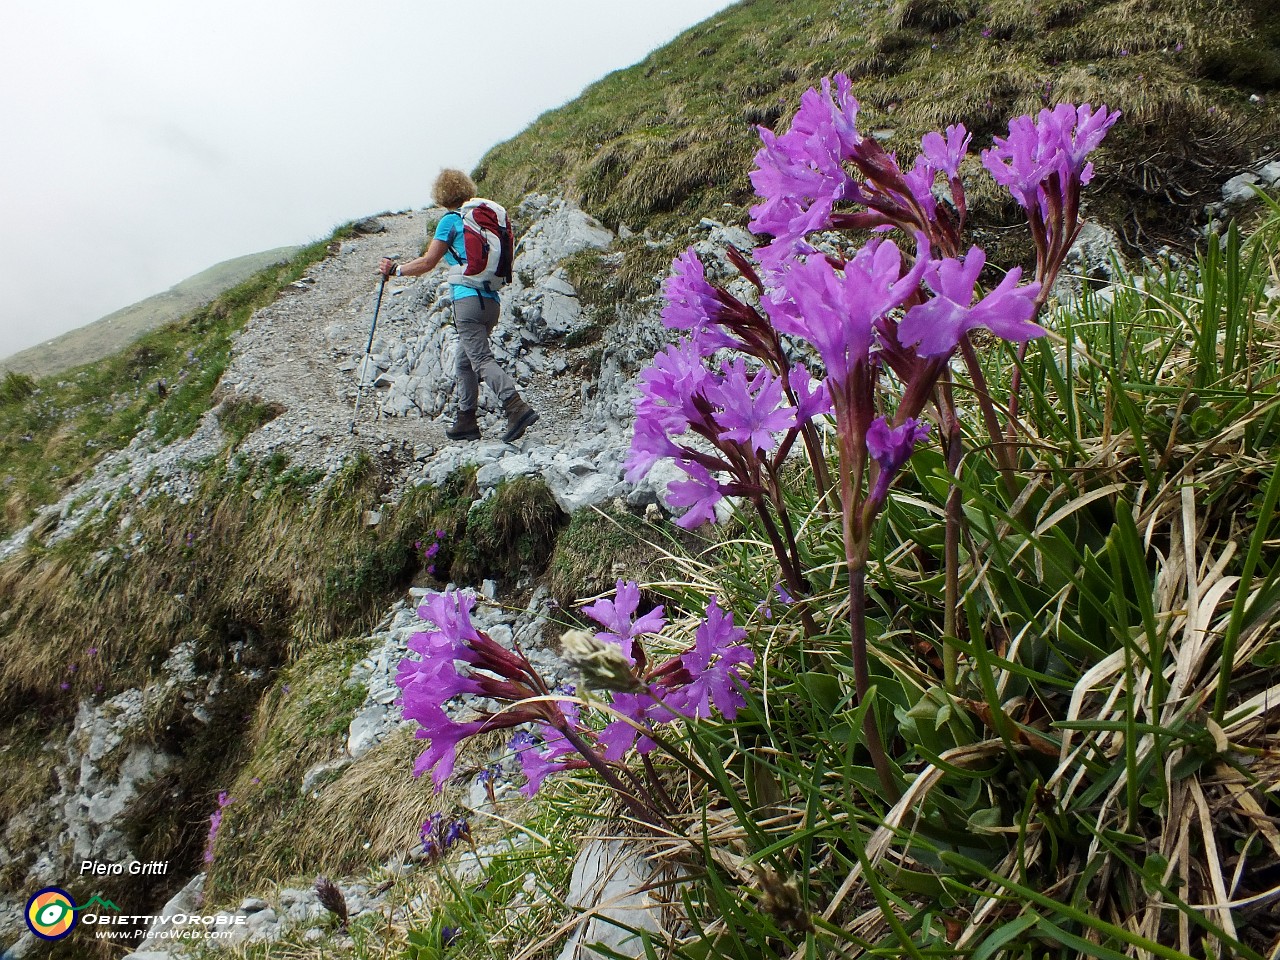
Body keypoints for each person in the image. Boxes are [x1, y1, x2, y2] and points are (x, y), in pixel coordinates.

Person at [379, 168, 539, 443]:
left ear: (441, 195)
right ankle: (466, 420)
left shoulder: (450, 222)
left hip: (466, 301)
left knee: (480, 360)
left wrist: (396, 269)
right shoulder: (481, 219)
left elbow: (428, 262)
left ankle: (515, 406)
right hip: (491, 302)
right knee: (465, 362)